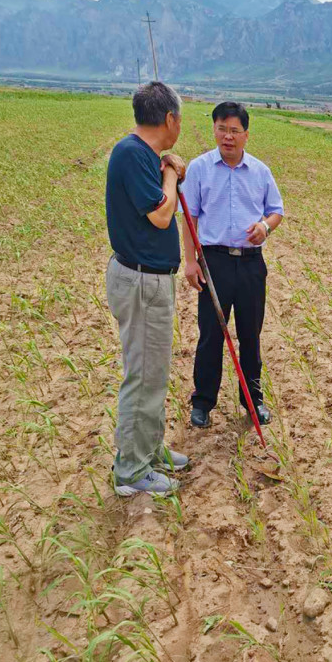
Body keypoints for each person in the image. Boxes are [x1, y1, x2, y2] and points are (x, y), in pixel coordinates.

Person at [105, 81, 189, 496]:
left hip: (147, 278)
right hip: (140, 281)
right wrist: (171, 172)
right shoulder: (133, 153)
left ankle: (149, 448)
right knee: (143, 376)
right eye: (181, 120)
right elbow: (160, 214)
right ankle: (131, 472)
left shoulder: (141, 154)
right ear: (169, 119)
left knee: (154, 373)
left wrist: (164, 165)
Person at [181, 101, 284, 428]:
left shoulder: (260, 171)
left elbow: (277, 210)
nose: (227, 136)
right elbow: (189, 217)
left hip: (251, 265)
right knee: (210, 333)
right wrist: (189, 262)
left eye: (234, 131)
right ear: (214, 130)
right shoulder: (199, 168)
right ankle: (203, 402)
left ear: (246, 135)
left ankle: (253, 401)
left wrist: (265, 227)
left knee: (250, 335)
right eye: (222, 129)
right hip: (213, 263)